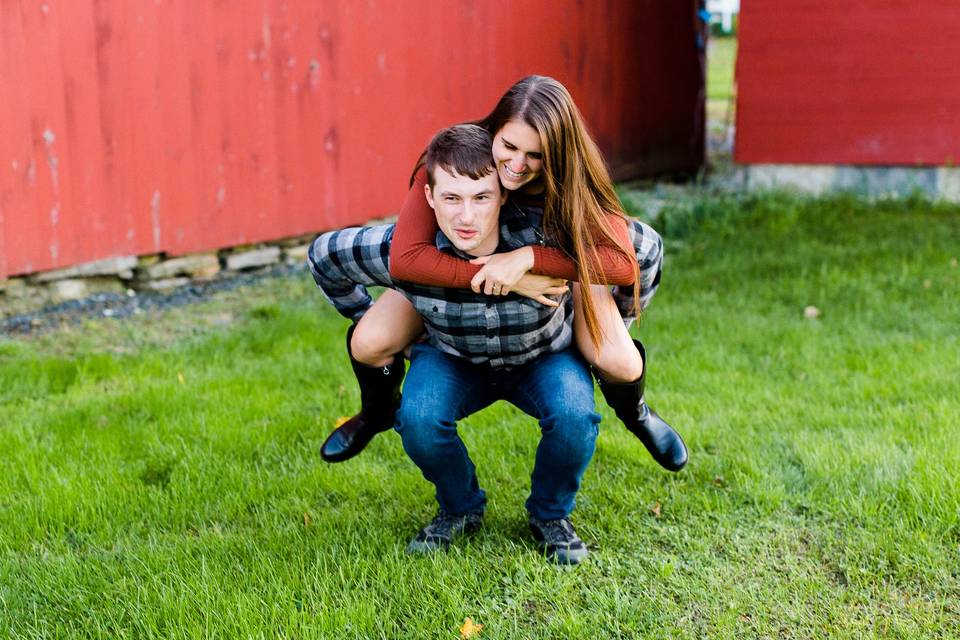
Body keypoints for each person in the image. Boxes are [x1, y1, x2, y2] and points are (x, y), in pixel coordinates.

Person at [320, 76, 687, 472]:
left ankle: (637, 414)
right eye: (509, 147)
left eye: (535, 155)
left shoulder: (572, 175)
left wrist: (531, 260)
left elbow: (624, 262)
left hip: (566, 267)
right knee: (370, 338)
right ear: (494, 131)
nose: (515, 165)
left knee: (618, 358)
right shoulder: (456, 162)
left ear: (557, 154)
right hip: (453, 265)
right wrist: (494, 277)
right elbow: (406, 261)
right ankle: (376, 411)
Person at [310, 125, 601, 564]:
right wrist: (369, 319)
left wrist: (620, 320)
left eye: (481, 197)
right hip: (454, 358)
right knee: (419, 418)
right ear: (428, 198)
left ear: (503, 194)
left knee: (575, 414)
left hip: (542, 356)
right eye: (451, 199)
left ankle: (550, 515)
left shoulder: (547, 238)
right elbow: (324, 256)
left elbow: (639, 253)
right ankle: (460, 507)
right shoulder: (405, 252)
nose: (466, 217)